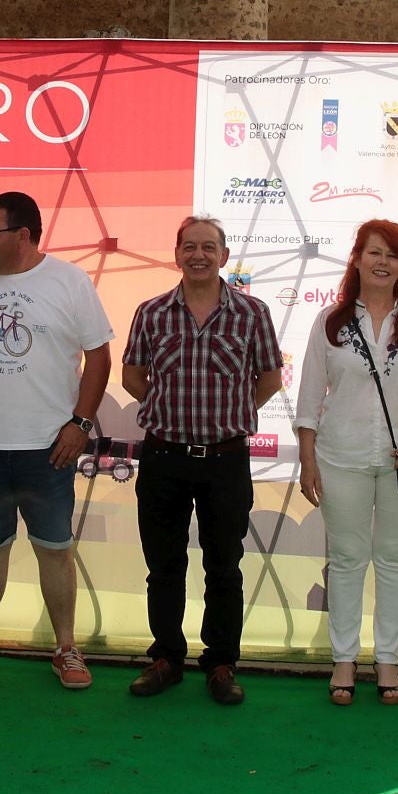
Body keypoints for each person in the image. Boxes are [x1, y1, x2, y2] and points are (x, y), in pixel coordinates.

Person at [0, 191, 113, 689]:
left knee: (54, 548)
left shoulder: (70, 282)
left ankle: (66, 649)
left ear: (24, 236)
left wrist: (79, 424)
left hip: (48, 450)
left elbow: (98, 358)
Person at [122, 215, 282, 705]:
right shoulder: (151, 313)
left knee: (224, 566)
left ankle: (221, 663)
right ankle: (166, 658)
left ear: (224, 256)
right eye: (189, 246)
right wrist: (168, 411)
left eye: (208, 247)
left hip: (225, 461)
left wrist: (229, 414)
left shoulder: (252, 314)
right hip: (164, 457)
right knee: (163, 565)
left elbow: (270, 378)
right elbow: (132, 376)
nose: (198, 255)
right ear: (177, 254)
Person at [294, 220, 398, 705]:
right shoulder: (330, 322)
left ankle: (388, 660)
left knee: (393, 561)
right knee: (345, 561)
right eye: (373, 253)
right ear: (357, 259)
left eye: (392, 255)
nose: (382, 262)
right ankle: (344, 658)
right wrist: (307, 459)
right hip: (339, 457)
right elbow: (307, 399)